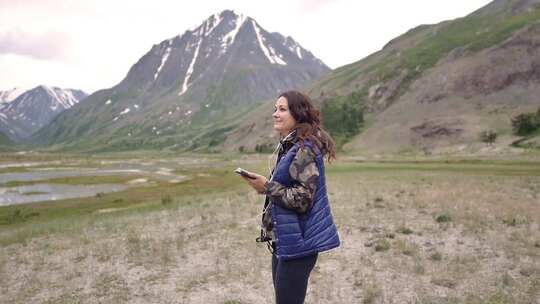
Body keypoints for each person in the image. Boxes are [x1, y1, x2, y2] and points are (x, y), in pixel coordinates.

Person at [240, 90, 340, 304]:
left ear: (299, 113)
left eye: (282, 109)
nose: (275, 114)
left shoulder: (305, 149)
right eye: (275, 109)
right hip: (286, 239)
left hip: (299, 243)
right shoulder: (292, 146)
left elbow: (303, 199)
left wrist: (266, 187)